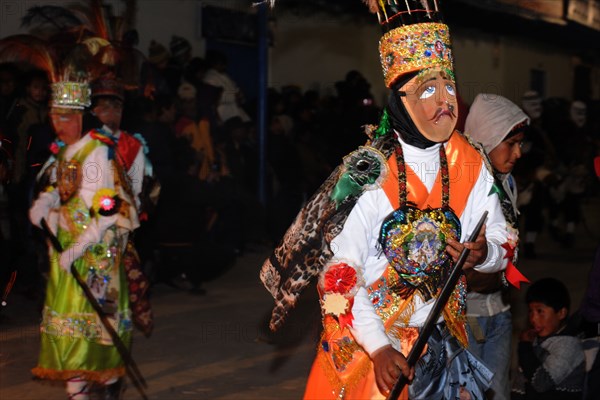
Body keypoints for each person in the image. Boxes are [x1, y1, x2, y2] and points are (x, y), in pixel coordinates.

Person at [260, 2, 510, 398]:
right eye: (429, 89)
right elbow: (339, 275)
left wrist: (486, 253)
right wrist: (378, 347)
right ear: (401, 97)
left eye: (449, 85)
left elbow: (501, 236)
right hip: (369, 345)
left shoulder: (470, 161)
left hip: (441, 340)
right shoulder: (368, 172)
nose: (446, 100)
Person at [29, 75, 133, 399]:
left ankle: (107, 384)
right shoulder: (64, 151)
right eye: (54, 115)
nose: (58, 123)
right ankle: (79, 393)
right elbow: (60, 189)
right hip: (64, 252)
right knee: (68, 330)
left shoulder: (96, 153)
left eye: (65, 116)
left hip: (93, 256)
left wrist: (79, 245)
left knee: (97, 330)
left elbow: (108, 205)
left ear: (79, 116)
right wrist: (45, 202)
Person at [463, 93, 530, 400]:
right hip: (467, 317)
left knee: (498, 392)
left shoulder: (507, 183)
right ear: (487, 139)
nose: (518, 152)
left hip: (500, 312)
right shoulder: (463, 190)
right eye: (511, 142)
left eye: (520, 143)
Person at [512, 278, 586, 399]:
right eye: (531, 311)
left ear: (561, 313)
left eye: (540, 311)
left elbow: (541, 382)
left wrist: (525, 347)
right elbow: (520, 385)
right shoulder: (535, 341)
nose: (533, 319)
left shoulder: (569, 345)